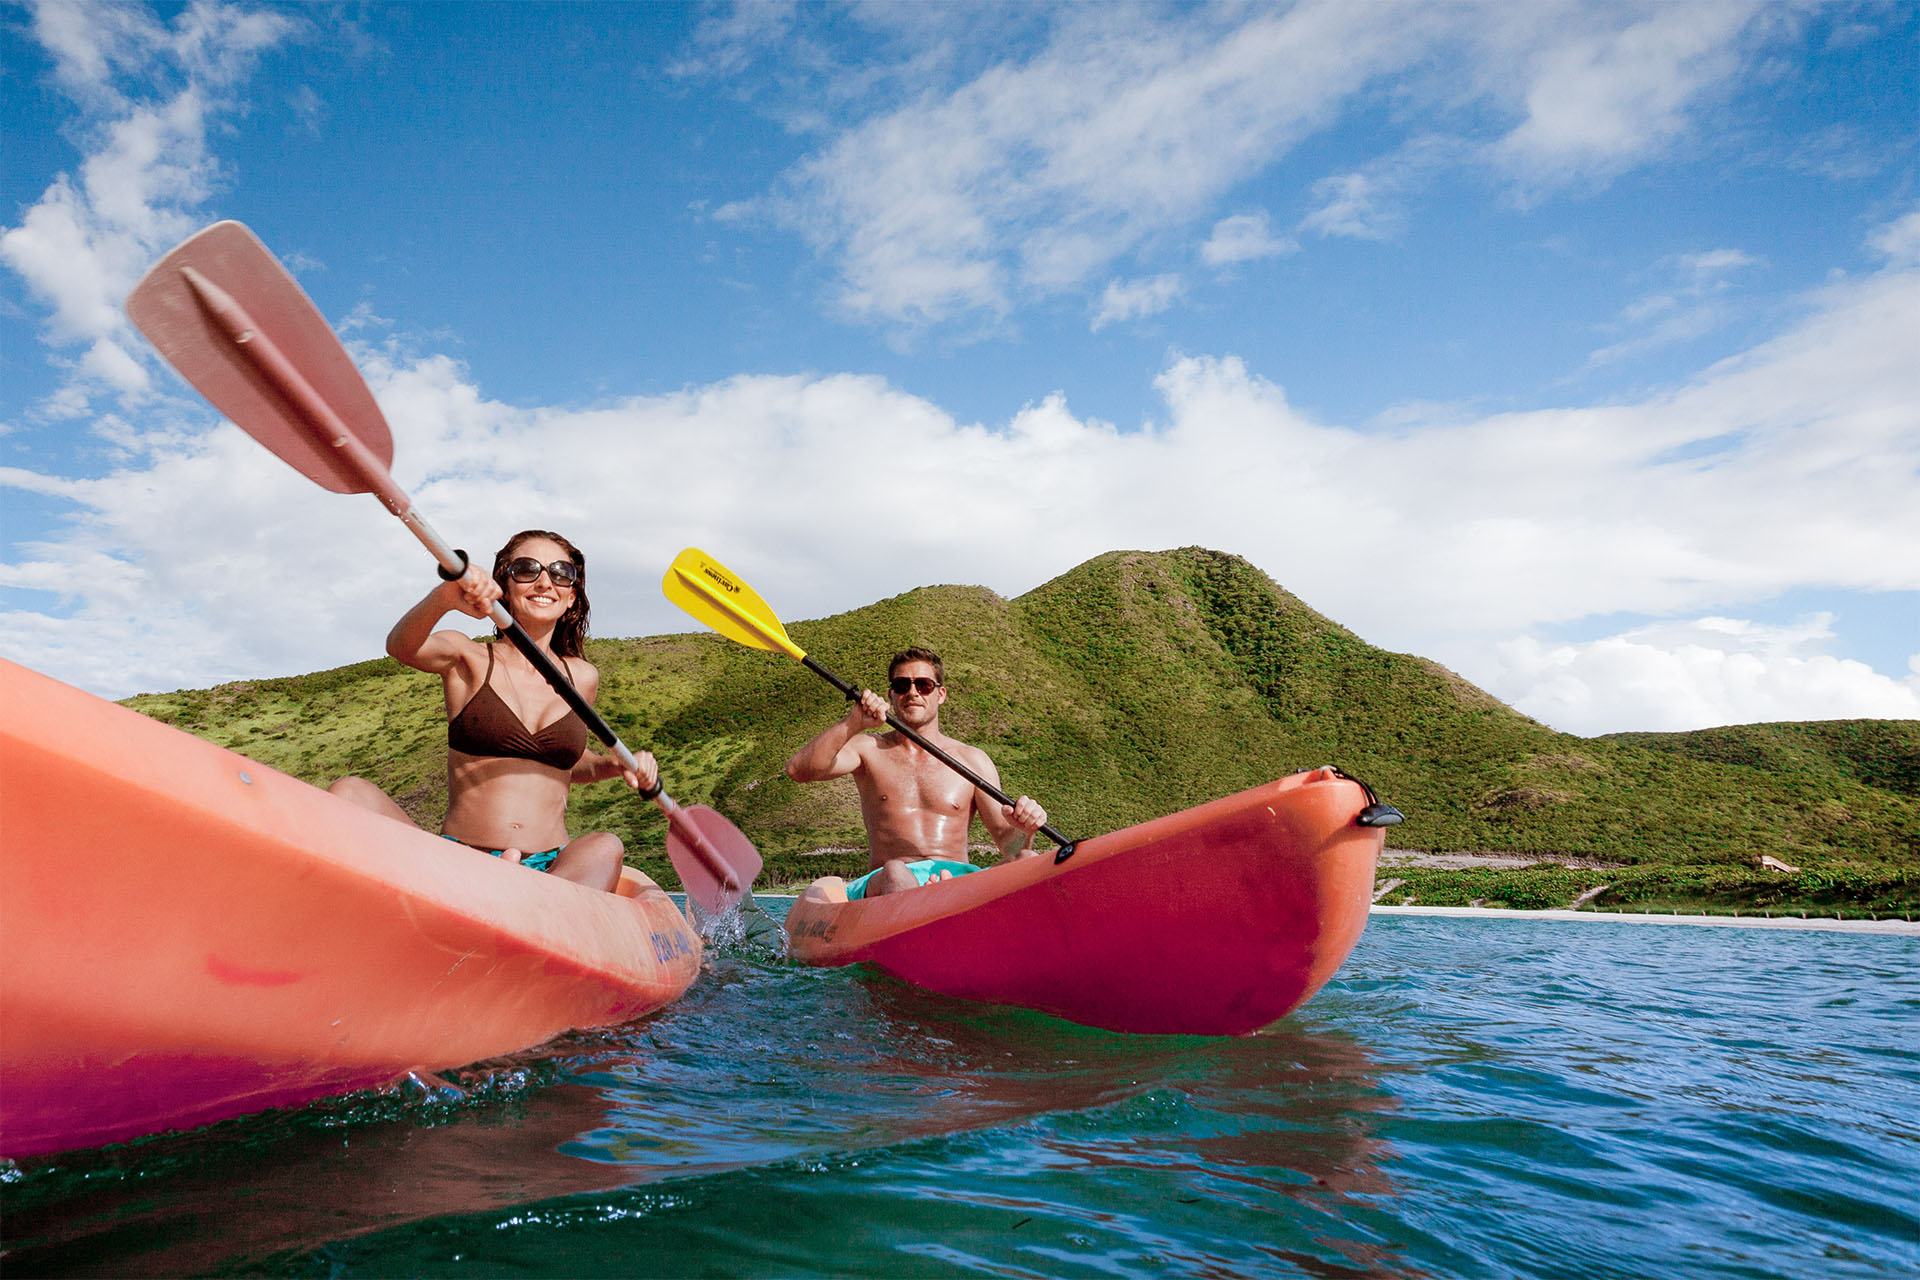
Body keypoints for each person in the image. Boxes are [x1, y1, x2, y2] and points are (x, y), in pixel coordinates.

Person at [329, 530, 657, 893]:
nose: (545, 581)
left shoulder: (582, 676)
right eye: (527, 569)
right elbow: (401, 646)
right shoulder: (466, 656)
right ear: (505, 586)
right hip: (457, 858)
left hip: (546, 869)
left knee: (606, 845)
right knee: (350, 791)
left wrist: (615, 765)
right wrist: (446, 597)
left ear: (571, 599)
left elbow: (571, 761)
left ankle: (535, 912)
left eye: (561, 573)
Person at [784, 646, 1047, 900]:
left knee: (1027, 859)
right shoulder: (868, 748)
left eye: (923, 685)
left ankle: (949, 905)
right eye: (902, 686)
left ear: (940, 694)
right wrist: (854, 722)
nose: (912, 693)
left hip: (958, 880)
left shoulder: (972, 760)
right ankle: (922, 915)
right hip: (887, 880)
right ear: (891, 695)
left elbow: (1009, 844)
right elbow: (799, 769)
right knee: (896, 870)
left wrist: (1026, 829)